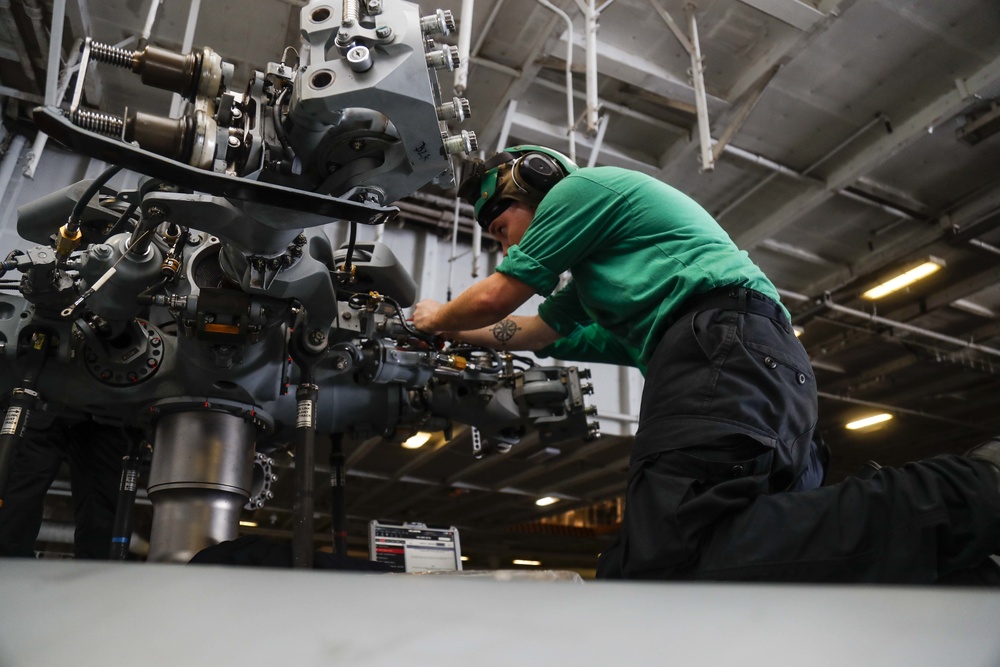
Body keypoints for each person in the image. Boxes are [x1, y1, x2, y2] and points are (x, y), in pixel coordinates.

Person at [412, 144, 1000, 583]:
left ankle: (974, 493)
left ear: (533, 184)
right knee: (749, 570)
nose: (506, 247)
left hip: (723, 349)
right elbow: (537, 328)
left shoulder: (577, 192)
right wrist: (464, 338)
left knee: (668, 554)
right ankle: (970, 565)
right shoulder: (605, 280)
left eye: (501, 227)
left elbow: (498, 296)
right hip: (752, 361)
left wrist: (435, 318)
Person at [0, 414, 133, 559]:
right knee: (15, 502)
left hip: (112, 408)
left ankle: (97, 577)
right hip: (41, 405)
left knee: (102, 521)